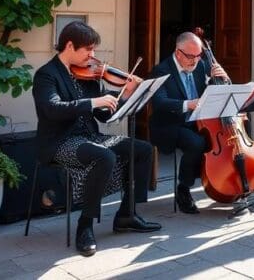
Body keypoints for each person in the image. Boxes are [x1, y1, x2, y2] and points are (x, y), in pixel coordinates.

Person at [32, 21, 160, 257]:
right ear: (70, 45)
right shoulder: (46, 75)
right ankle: (85, 225)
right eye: (88, 49)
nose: (93, 55)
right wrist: (93, 102)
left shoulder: (88, 74)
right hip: (60, 142)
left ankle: (126, 214)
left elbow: (103, 114)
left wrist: (124, 96)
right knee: (105, 156)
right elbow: (52, 108)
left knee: (142, 149)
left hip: (90, 136)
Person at [149, 30, 231, 214]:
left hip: (197, 121)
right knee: (197, 143)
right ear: (178, 53)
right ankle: (183, 189)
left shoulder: (200, 65)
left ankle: (224, 181)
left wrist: (222, 79)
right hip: (170, 124)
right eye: (190, 56)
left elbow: (212, 93)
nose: (195, 60)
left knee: (221, 140)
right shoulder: (161, 71)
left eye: (198, 55)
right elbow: (160, 103)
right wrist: (189, 104)